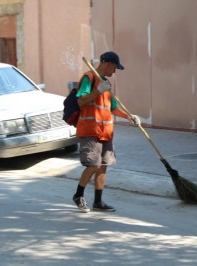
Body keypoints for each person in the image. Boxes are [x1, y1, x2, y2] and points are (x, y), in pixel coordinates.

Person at [72, 51, 141, 212]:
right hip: (90, 131)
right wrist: (98, 91)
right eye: (115, 67)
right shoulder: (89, 77)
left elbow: (114, 109)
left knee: (103, 166)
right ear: (108, 63)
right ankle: (78, 195)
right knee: (93, 165)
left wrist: (131, 117)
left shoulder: (107, 84)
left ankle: (98, 202)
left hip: (106, 132)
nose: (115, 71)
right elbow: (81, 101)